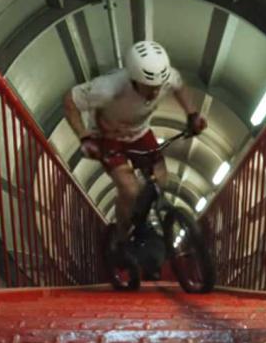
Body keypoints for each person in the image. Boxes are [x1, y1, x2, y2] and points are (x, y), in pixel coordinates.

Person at [63, 40, 207, 255]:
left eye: (158, 87)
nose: (155, 92)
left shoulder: (167, 77)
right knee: (129, 189)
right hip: (107, 136)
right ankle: (121, 236)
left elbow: (179, 87)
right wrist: (84, 137)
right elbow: (69, 101)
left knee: (162, 178)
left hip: (139, 132)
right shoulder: (107, 88)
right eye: (149, 87)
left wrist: (192, 114)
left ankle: (141, 215)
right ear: (133, 79)